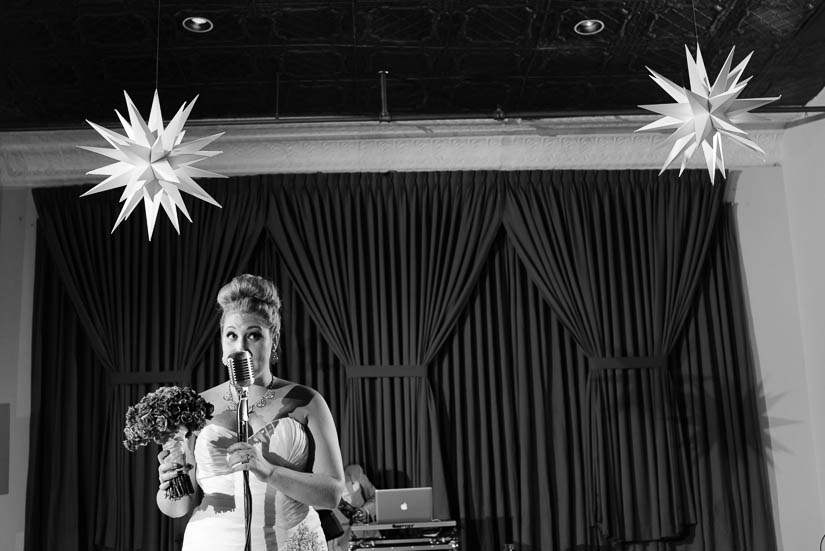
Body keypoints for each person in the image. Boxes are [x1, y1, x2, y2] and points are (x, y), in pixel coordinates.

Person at [157, 274, 346, 550]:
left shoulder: (307, 401)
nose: (241, 347)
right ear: (222, 343)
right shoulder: (195, 407)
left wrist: (269, 471)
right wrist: (169, 482)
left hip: (289, 541)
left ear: (274, 339)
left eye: (254, 335)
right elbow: (177, 507)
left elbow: (332, 495)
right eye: (231, 335)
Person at [327, 464, 378, 551]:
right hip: (338, 540)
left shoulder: (354, 472)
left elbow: (376, 497)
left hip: (367, 534)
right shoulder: (317, 484)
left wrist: (365, 511)